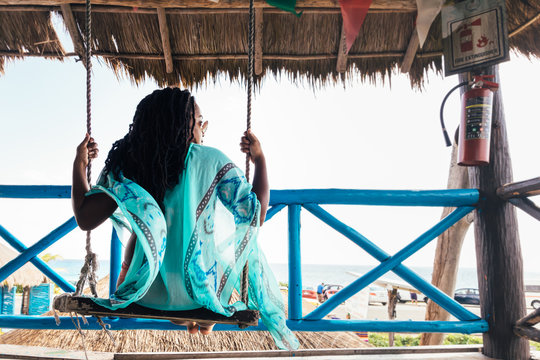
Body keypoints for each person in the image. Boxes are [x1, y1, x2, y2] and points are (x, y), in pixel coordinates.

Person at [72, 88, 298, 350]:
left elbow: (85, 218)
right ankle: (200, 320)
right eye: (200, 121)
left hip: (143, 293)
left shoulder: (131, 162)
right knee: (198, 249)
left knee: (146, 228)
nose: (204, 129)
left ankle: (190, 317)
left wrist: (79, 163)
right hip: (197, 293)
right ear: (184, 123)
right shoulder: (211, 161)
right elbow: (255, 213)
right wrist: (259, 160)